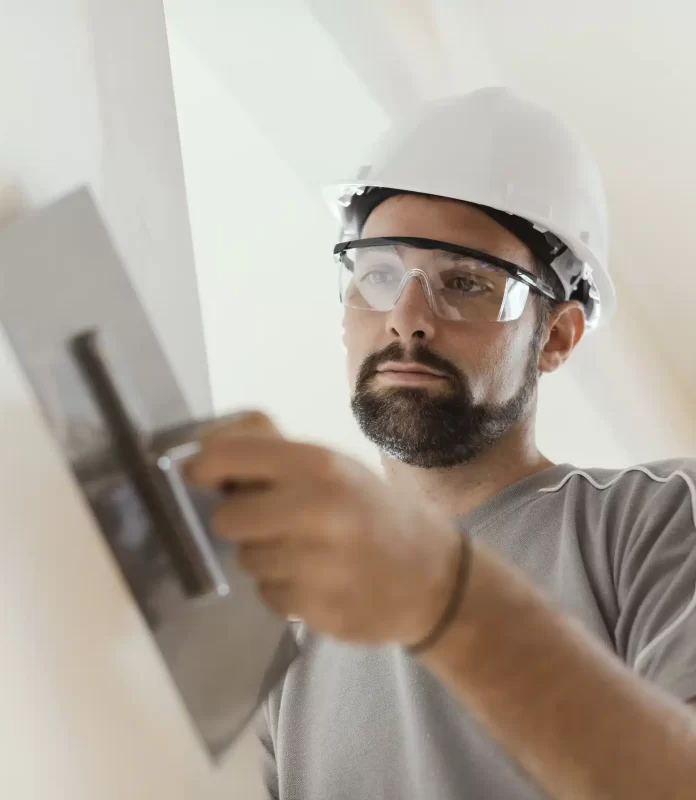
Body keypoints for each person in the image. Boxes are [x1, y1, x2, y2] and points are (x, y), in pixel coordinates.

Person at [183, 87, 696, 799]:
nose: (408, 318)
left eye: (465, 283)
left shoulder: (656, 523)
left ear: (556, 336)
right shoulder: (287, 648)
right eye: (380, 274)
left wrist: (443, 596)